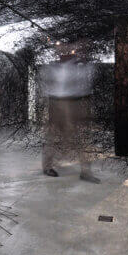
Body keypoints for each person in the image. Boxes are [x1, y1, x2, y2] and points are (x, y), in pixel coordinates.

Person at [40, 49, 101, 183]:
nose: (69, 52)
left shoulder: (79, 67)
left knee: (82, 138)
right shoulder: (54, 68)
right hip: (57, 103)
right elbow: (50, 87)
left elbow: (85, 86)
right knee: (53, 136)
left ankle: (86, 171)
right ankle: (47, 166)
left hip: (76, 102)